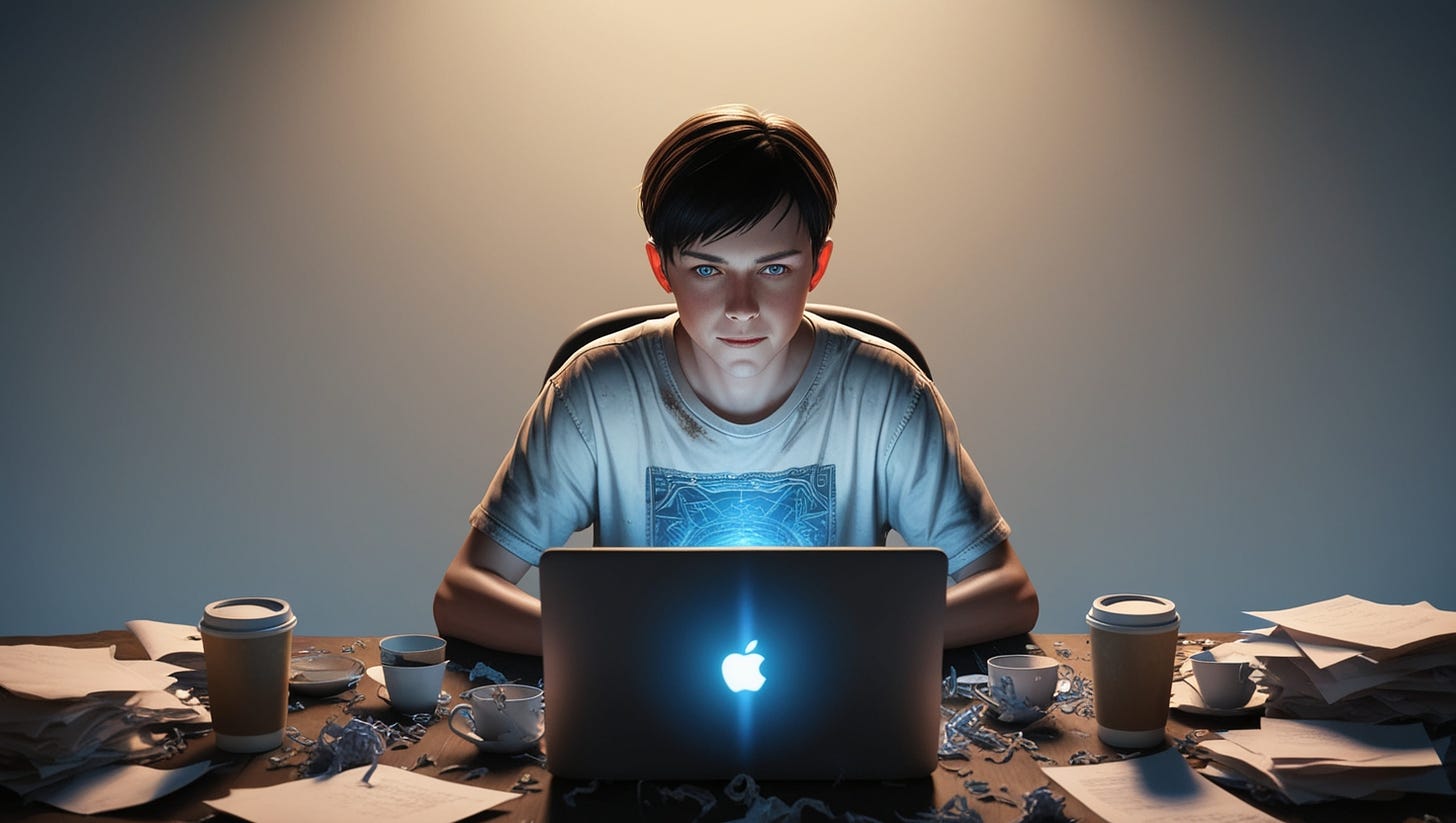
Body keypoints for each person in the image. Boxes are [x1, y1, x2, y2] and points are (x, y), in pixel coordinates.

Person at [434, 104, 1037, 654]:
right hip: (641, 710)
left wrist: (842, 639)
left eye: (774, 267)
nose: (741, 305)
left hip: (836, 715)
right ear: (661, 268)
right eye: (707, 269)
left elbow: (1008, 593)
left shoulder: (886, 398)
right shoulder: (596, 393)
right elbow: (464, 592)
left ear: (818, 265)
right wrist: (623, 645)